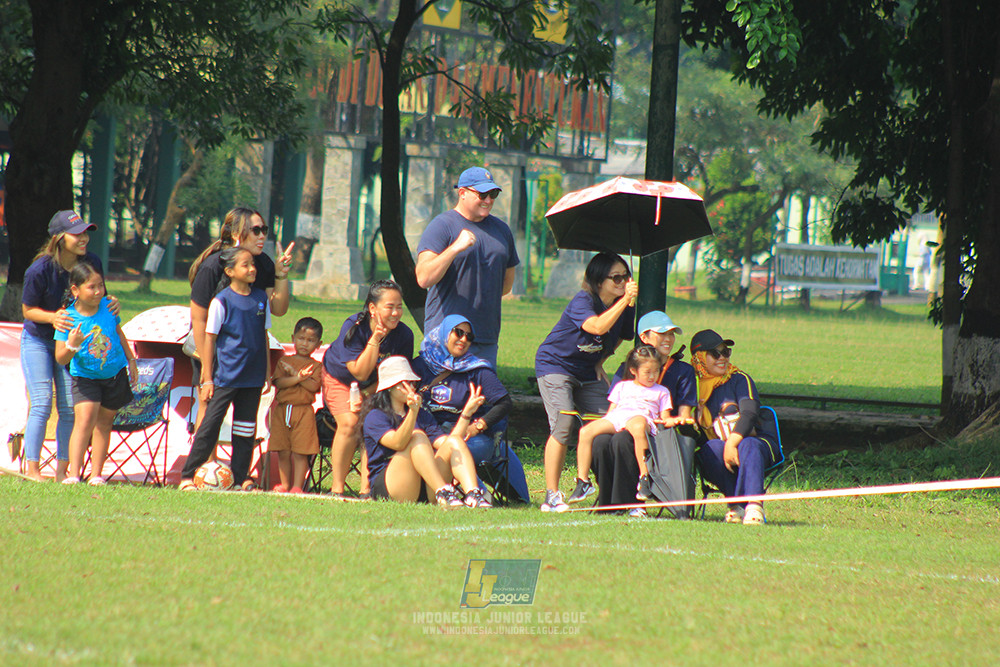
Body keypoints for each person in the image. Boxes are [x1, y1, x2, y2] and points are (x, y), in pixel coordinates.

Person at [535, 252, 637, 512]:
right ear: (599, 281)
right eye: (616, 278)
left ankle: (614, 494)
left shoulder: (625, 305)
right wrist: (625, 301)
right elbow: (597, 327)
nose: (623, 282)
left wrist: (601, 360)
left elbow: (622, 336)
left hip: (587, 371)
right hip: (555, 366)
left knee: (611, 422)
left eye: (625, 277)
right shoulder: (583, 300)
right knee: (564, 422)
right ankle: (552, 495)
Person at [20, 210, 118, 482]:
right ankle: (33, 470)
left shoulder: (91, 262)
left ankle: (63, 473)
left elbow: (98, 295)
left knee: (67, 407)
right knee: (42, 403)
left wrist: (111, 303)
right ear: (59, 238)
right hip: (39, 341)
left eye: (85, 233)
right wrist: (53, 318)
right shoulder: (39, 269)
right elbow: (27, 311)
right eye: (77, 234)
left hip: (72, 343)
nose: (83, 238)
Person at [188, 206, 292, 430]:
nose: (262, 236)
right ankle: (205, 453)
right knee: (209, 406)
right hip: (213, 349)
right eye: (255, 230)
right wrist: (207, 367)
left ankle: (239, 453)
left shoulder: (263, 264)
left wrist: (281, 275)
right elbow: (199, 320)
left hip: (247, 353)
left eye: (264, 230)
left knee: (245, 418)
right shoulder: (213, 266)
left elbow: (277, 309)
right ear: (236, 233)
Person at [412, 314, 531, 504]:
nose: (463, 339)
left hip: (471, 437)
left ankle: (476, 496)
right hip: (430, 433)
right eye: (458, 332)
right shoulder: (420, 365)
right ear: (444, 333)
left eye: (469, 336)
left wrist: (479, 425)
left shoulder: (476, 369)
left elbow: (504, 402)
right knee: (420, 445)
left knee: (457, 447)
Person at [180, 247, 271, 491]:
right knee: (210, 426)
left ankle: (240, 479)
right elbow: (210, 339)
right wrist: (208, 378)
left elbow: (263, 336)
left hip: (253, 377)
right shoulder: (221, 301)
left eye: (253, 264)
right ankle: (187, 476)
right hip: (225, 376)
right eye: (245, 265)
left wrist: (267, 373)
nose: (252, 269)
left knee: (245, 429)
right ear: (230, 272)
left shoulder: (261, 298)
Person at [592, 311, 698, 515]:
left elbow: (684, 414)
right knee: (599, 442)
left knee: (622, 440)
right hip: (623, 423)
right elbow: (615, 406)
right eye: (662, 333)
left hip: (658, 433)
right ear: (644, 337)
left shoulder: (683, 371)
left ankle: (632, 502)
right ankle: (606, 503)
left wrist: (675, 420)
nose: (668, 339)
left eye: (671, 334)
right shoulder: (627, 368)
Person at [415, 166, 519, 367]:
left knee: (481, 389)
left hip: (485, 339)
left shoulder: (502, 230)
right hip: (446, 337)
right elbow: (424, 278)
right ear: (462, 192)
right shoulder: (442, 226)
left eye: (493, 194)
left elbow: (506, 285)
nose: (488, 200)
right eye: (482, 194)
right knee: (442, 389)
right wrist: (455, 248)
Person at [322, 280, 414, 500]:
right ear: (373, 308)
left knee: (372, 422)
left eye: (399, 307)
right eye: (389, 307)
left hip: (377, 386)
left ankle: (367, 490)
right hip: (340, 379)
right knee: (350, 422)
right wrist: (375, 340)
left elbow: (395, 374)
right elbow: (360, 373)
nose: (396, 313)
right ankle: (337, 489)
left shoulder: (404, 335)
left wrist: (367, 394)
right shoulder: (354, 326)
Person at [361, 356, 491, 508]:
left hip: (425, 483)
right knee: (417, 436)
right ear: (390, 387)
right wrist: (413, 411)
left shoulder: (422, 414)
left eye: (412, 382)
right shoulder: (376, 416)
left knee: (454, 441)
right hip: (391, 485)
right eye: (405, 383)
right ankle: (443, 492)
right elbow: (398, 443)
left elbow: (447, 444)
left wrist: (466, 414)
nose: (411, 387)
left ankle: (473, 494)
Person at [53, 263, 138, 485]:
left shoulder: (109, 307)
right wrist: (72, 344)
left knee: (104, 423)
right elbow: (60, 358)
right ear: (75, 290)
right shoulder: (67, 318)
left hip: (114, 375)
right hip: (85, 378)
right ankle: (74, 475)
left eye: (101, 285)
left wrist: (131, 360)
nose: (99, 291)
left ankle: (96, 475)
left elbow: (118, 333)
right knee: (84, 421)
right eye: (92, 287)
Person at [690, 329, 780, 525]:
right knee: (711, 448)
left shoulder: (739, 379)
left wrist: (732, 443)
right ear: (699, 358)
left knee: (748, 444)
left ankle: (754, 505)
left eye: (725, 352)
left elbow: (750, 414)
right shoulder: (693, 389)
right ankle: (736, 506)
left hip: (757, 442)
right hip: (719, 449)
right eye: (715, 353)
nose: (722, 358)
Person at [569, 345, 679, 504]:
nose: (652, 376)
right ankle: (583, 481)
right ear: (634, 370)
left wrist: (674, 420)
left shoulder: (661, 391)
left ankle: (645, 477)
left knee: (637, 426)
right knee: (585, 432)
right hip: (618, 416)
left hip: (642, 417)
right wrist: (604, 423)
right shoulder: (622, 386)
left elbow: (665, 417)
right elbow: (611, 412)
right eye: (647, 372)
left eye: (656, 371)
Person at [268, 317, 323, 494]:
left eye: (310, 340)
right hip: (283, 410)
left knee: (301, 451)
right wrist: (298, 377)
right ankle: (284, 484)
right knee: (283, 450)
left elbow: (314, 386)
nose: (304, 344)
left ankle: (297, 486)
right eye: (301, 338)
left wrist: (297, 376)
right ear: (293, 338)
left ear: (318, 344)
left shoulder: (316, 366)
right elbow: (279, 382)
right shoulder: (284, 361)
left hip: (303, 411)